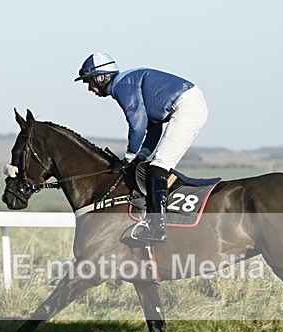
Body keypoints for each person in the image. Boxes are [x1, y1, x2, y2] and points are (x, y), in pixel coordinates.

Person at [75, 52, 208, 243]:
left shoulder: (122, 86)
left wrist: (128, 157)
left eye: (89, 81)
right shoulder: (127, 83)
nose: (89, 88)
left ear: (101, 77)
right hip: (190, 103)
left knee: (158, 166)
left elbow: (137, 125)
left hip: (188, 106)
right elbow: (153, 128)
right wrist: (140, 156)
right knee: (153, 164)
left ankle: (157, 227)